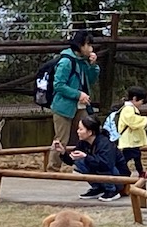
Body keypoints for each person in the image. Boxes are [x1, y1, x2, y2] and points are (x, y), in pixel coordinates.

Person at [48, 30, 100, 172]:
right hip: (63, 106)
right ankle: (53, 168)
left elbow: (90, 80)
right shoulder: (66, 61)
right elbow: (58, 85)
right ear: (80, 45)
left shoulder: (82, 60)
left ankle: (86, 164)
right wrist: (78, 94)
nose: (91, 49)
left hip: (80, 105)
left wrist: (93, 65)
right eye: (88, 45)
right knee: (61, 138)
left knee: (88, 133)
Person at [52, 115, 129, 202]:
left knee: (93, 161)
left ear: (89, 132)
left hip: (119, 176)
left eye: (81, 129)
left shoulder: (105, 143)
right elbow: (72, 160)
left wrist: (86, 157)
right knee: (80, 162)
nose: (78, 132)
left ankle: (112, 190)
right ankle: (98, 188)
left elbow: (106, 164)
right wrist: (62, 152)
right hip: (103, 171)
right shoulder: (83, 143)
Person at [117, 86, 147, 179]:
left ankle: (140, 172)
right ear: (134, 98)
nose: (142, 103)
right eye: (141, 100)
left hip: (132, 140)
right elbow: (132, 121)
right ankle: (121, 170)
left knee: (135, 156)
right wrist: (146, 120)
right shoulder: (128, 109)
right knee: (129, 156)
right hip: (130, 140)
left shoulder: (129, 108)